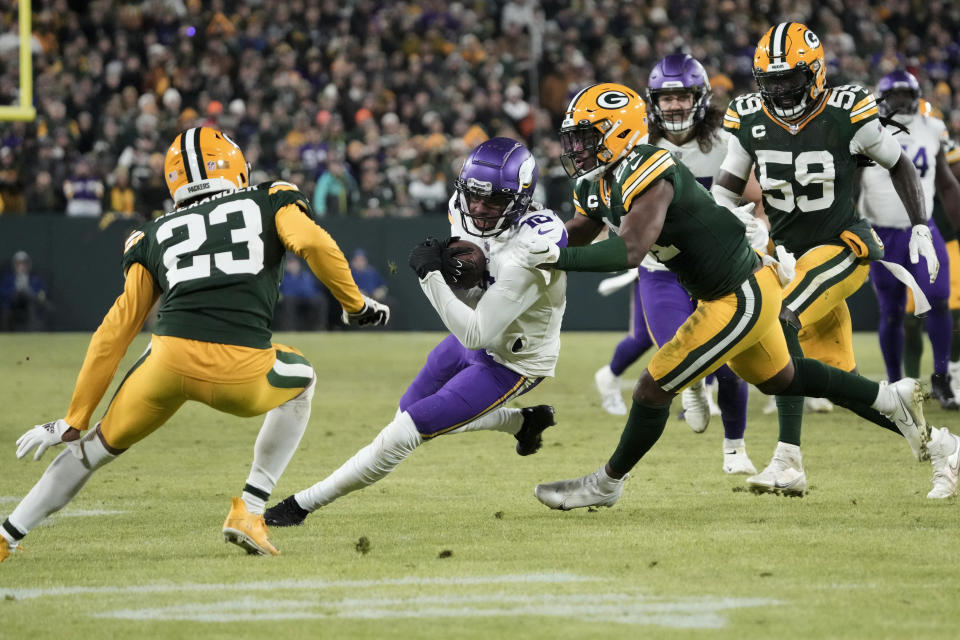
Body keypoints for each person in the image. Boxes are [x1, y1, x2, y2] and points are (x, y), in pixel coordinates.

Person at [514, 82, 957, 511]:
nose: (575, 150)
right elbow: (577, 233)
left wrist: (552, 257)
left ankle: (606, 483)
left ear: (620, 133)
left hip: (738, 292)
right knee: (785, 379)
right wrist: (515, 250)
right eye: (573, 140)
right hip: (730, 290)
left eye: (586, 138)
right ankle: (909, 417)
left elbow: (630, 250)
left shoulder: (648, 168)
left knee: (652, 388)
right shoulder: (598, 182)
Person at [0, 126, 390, 564]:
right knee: (302, 378)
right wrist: (354, 304)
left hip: (166, 362)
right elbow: (313, 242)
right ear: (234, 164)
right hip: (239, 370)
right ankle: (251, 510)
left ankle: (6, 535)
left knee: (90, 448)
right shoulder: (270, 197)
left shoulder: (152, 233)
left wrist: (75, 416)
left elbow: (116, 329)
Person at [262, 137, 566, 527]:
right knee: (407, 413)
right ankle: (522, 423)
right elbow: (474, 287)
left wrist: (431, 276)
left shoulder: (532, 248)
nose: (478, 208)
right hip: (477, 335)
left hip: (513, 359)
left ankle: (301, 505)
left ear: (521, 198)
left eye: (492, 201)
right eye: (473, 196)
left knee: (403, 434)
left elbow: (475, 332)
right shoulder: (465, 210)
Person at [711, 23, 956, 496]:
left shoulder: (848, 111)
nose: (780, 89)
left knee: (778, 318)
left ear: (816, 72)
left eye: (790, 78)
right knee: (838, 384)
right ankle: (949, 449)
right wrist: (736, 218)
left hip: (845, 248)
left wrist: (920, 223)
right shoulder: (748, 117)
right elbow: (724, 189)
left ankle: (788, 461)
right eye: (771, 80)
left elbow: (899, 162)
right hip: (789, 256)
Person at [592, 53, 764, 475]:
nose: (673, 106)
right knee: (675, 351)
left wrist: (759, 231)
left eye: (681, 95)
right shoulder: (636, 147)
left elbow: (756, 199)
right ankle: (691, 387)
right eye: (665, 98)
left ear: (699, 96)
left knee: (726, 362)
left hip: (716, 267)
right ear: (653, 101)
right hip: (662, 270)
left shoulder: (725, 142)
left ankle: (735, 449)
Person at [858, 71, 960, 408]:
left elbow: (945, 182)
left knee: (940, 299)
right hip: (882, 232)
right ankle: (895, 381)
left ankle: (942, 377)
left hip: (923, 228)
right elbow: (854, 182)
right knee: (891, 312)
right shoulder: (867, 128)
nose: (901, 101)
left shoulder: (931, 128)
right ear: (883, 97)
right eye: (895, 94)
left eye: (907, 94)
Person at [0, 251, 49, 331]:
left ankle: (33, 332)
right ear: (14, 265)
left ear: (28, 265)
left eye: (24, 263)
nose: (21, 266)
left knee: (31, 299)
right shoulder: (8, 278)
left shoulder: (35, 279)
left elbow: (42, 292)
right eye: (19, 263)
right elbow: (3, 292)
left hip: (29, 304)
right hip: (12, 304)